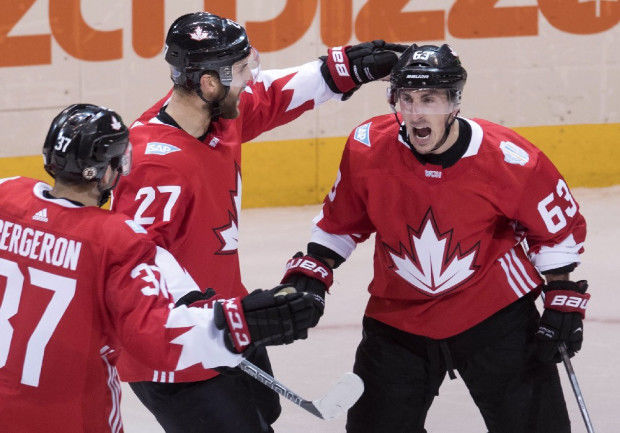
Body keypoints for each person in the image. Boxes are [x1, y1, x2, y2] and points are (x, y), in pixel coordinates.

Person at [109, 10, 404, 433]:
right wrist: (212, 322)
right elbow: (130, 270)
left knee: (266, 411)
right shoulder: (153, 164)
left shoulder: (216, 115)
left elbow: (274, 95)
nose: (251, 78)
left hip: (228, 312)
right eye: (242, 70)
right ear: (209, 83)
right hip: (175, 353)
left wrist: (342, 70)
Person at [279, 44, 589, 433]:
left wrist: (563, 298)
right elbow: (341, 221)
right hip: (397, 319)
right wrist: (313, 271)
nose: (416, 112)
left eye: (429, 99)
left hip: (495, 315)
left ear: (454, 101)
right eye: (406, 99)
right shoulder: (367, 147)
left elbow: (556, 231)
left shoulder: (510, 158)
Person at [0, 104, 321, 433]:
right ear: (107, 171)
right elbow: (155, 337)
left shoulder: (6, 195)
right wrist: (240, 321)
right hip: (73, 417)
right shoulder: (114, 238)